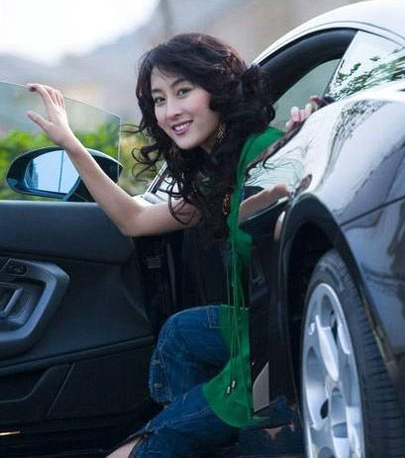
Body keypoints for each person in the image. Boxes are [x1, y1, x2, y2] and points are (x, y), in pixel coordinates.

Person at [26, 33, 316, 458]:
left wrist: (308, 138)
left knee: (139, 448)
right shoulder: (219, 173)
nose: (170, 111)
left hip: (274, 349)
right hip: (255, 323)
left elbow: (289, 215)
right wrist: (71, 145)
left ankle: (175, 435)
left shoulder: (270, 153)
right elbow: (135, 219)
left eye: (183, 91)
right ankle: (189, 435)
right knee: (181, 333)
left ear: (219, 90)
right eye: (159, 100)